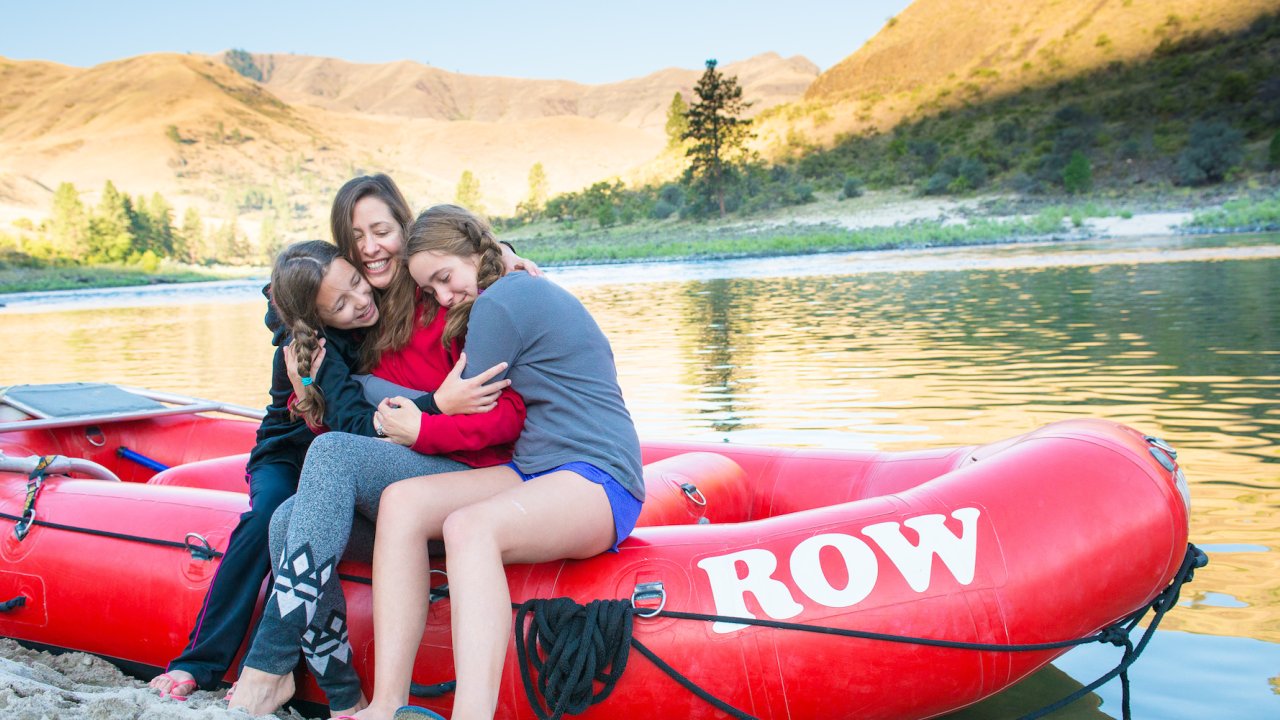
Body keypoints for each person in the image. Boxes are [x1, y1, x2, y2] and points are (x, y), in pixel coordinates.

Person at [227, 181, 531, 717]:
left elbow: (465, 252)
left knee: (332, 456)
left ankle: (268, 663)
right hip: (410, 478)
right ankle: (347, 699)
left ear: (405, 230)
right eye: (357, 237)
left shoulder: (440, 290)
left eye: (382, 232)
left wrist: (503, 254)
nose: (370, 248)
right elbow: (290, 303)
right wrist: (302, 360)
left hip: (465, 473)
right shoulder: (350, 326)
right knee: (284, 519)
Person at [349, 205, 644, 720]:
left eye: (444, 278)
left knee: (469, 528)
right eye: (431, 291)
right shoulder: (504, 287)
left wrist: (417, 427)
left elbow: (483, 418)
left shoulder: (503, 302)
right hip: (537, 468)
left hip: (597, 476)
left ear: (473, 249)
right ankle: (387, 704)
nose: (443, 297)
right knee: (402, 500)